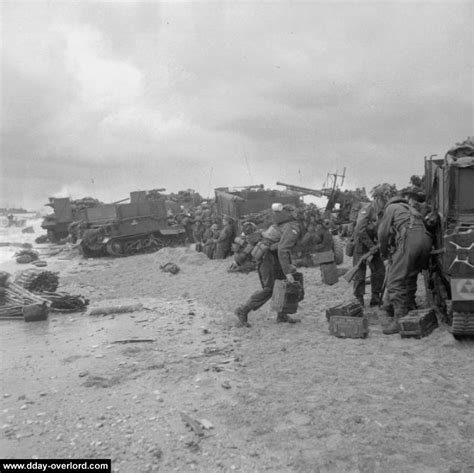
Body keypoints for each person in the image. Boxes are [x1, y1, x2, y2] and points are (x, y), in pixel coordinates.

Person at [234, 204, 302, 327]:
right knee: (270, 288)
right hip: (269, 259)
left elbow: (276, 245)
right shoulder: (292, 226)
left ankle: (282, 315)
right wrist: (288, 271)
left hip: (271, 257)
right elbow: (282, 249)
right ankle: (243, 310)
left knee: (282, 285)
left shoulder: (280, 223)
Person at [376, 189, 433, 335]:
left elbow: (382, 234)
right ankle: (410, 309)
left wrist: (383, 253)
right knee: (410, 275)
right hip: (426, 240)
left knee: (395, 282)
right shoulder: (410, 208)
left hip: (409, 240)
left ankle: (399, 320)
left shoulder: (391, 208)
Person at [351, 202, 386, 307]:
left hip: (374, 246)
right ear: (379, 198)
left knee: (379, 271)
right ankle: (359, 300)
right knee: (359, 273)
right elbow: (360, 229)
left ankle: (375, 298)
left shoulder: (382, 210)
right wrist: (371, 246)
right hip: (361, 246)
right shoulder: (368, 209)